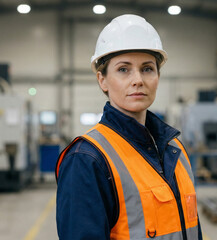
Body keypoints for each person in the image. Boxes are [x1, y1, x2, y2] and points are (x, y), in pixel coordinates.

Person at [55, 14, 203, 240]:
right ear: (102, 80)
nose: (138, 80)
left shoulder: (176, 149)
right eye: (124, 69)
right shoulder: (87, 159)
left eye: (147, 69)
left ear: (158, 76)